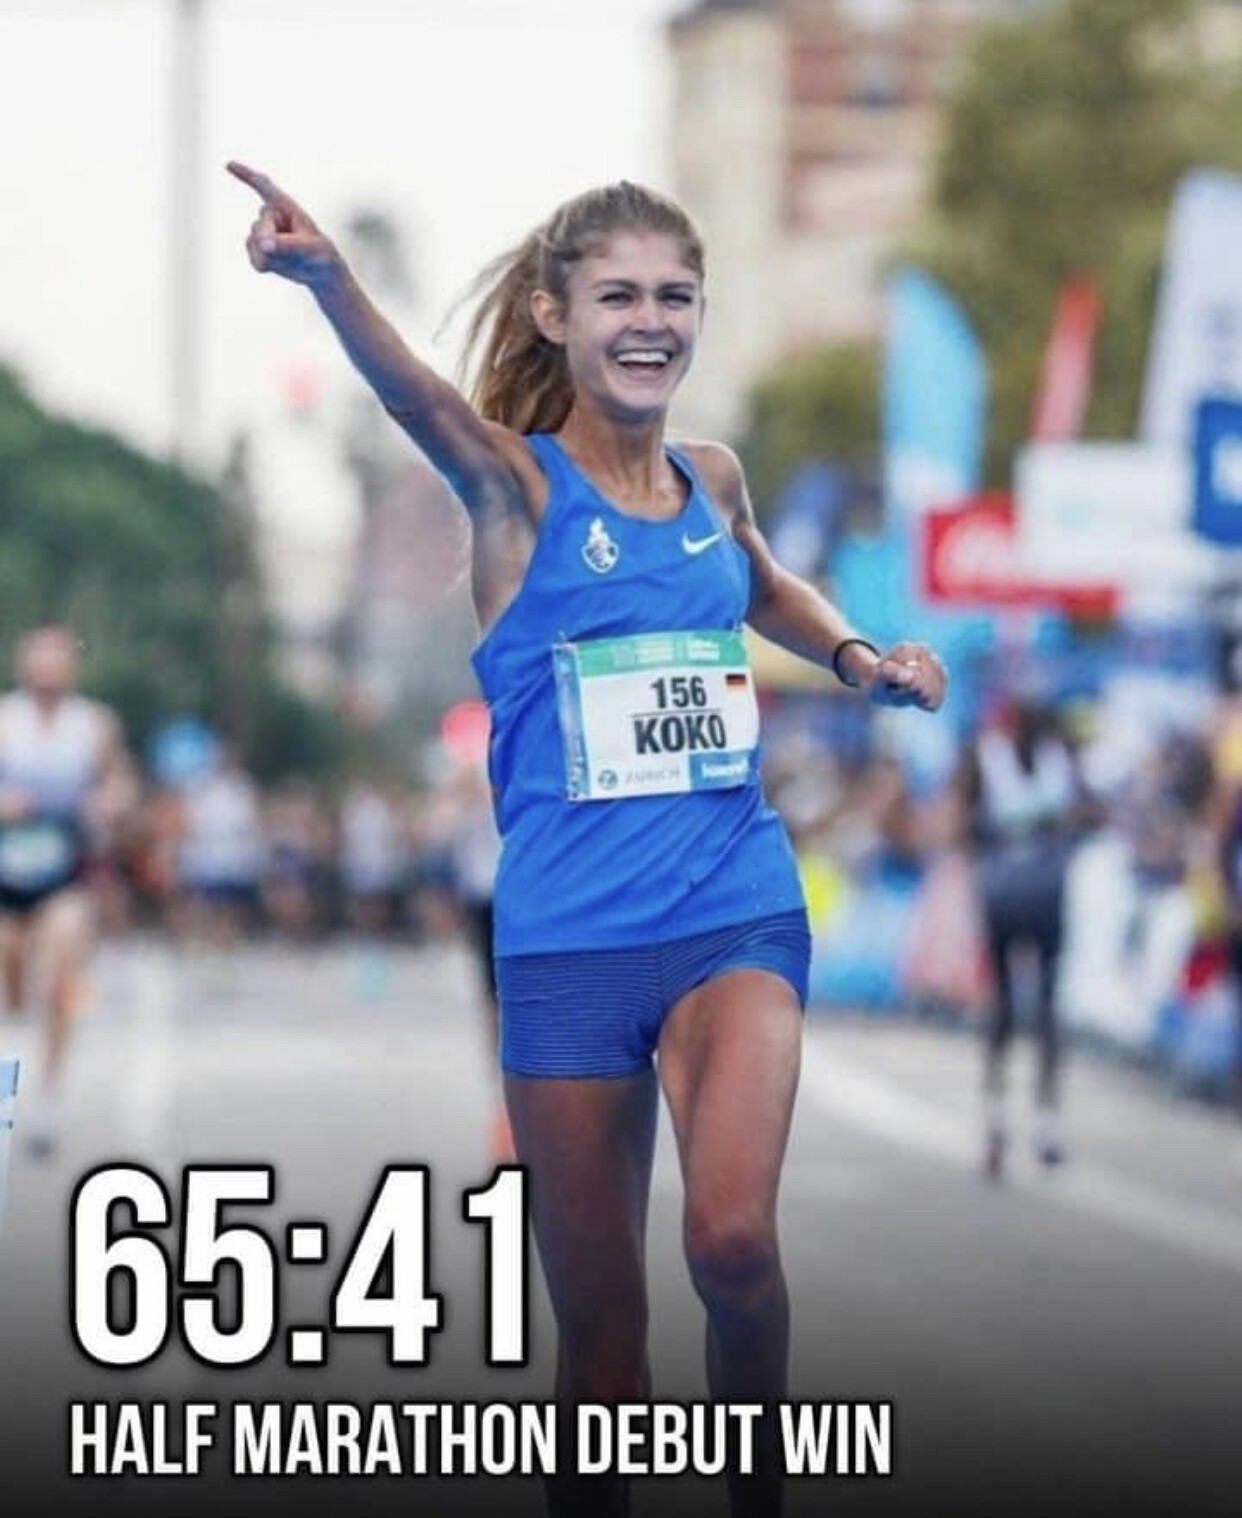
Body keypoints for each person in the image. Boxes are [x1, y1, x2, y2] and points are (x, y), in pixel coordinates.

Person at [230, 161, 945, 1516]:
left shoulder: (713, 478)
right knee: (606, 1342)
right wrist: (329, 281)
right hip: (568, 945)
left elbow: (763, 582)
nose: (650, 320)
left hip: (732, 908)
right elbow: (419, 400)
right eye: (618, 295)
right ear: (555, 316)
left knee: (732, 1244)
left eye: (675, 296)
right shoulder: (517, 489)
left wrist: (858, 656)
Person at [0, 625, 134, 1156]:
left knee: (62, 966)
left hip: (65, 871)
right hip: (7, 871)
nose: (48, 671)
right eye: (40, 661)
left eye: (58, 661)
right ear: (24, 666)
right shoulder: (5, 720)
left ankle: (50, 1094)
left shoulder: (94, 724)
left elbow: (121, 782)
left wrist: (111, 801)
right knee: (11, 983)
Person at [961, 695, 1085, 1181]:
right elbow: (969, 821)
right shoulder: (997, 759)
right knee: (1019, 1009)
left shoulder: (1045, 760)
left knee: (1027, 1009)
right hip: (1018, 895)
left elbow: (969, 824)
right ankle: (1013, 1120)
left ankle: (1031, 1121)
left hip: (1026, 894)